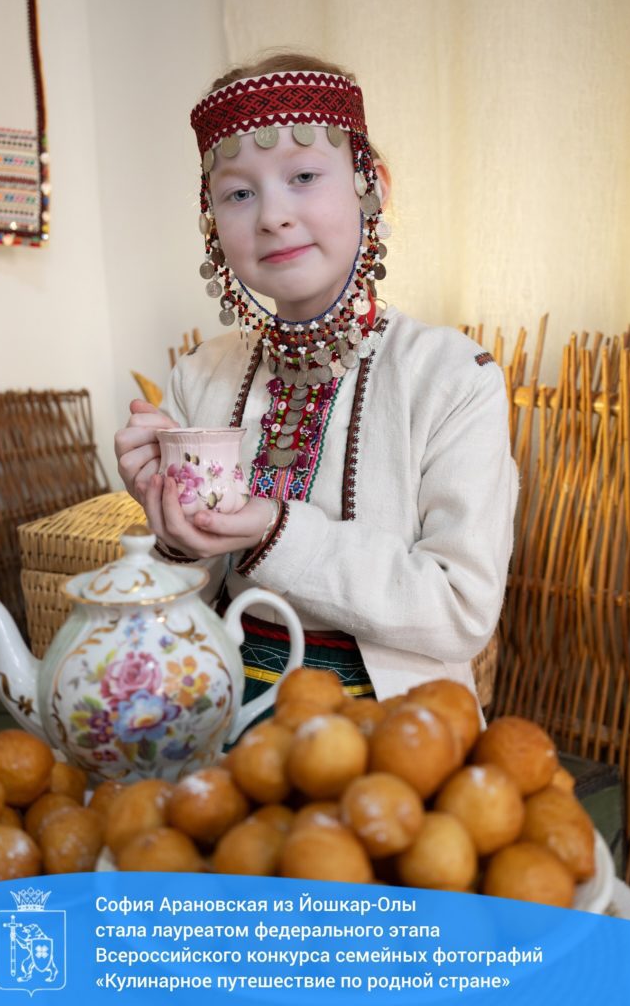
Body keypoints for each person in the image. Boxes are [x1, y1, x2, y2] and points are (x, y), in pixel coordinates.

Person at [115, 51, 518, 710]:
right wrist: (172, 539)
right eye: (238, 193)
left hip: (392, 732)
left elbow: (460, 610)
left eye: (303, 175)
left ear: (372, 186)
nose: (272, 215)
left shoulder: (452, 380)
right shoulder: (199, 377)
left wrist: (274, 528)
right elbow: (172, 614)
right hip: (214, 706)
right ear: (211, 224)